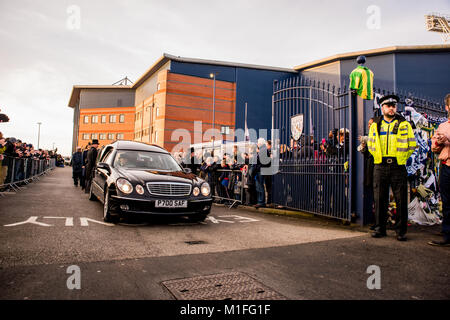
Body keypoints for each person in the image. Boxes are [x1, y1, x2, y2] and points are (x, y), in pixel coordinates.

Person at [367, 95, 417, 241]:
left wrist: (401, 158)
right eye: (388, 106)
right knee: (379, 199)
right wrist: (377, 156)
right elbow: (371, 143)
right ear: (382, 108)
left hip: (397, 165)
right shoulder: (376, 124)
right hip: (380, 165)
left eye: (393, 106)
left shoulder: (404, 124)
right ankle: (379, 229)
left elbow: (411, 144)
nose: (391, 108)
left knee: (401, 199)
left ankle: (400, 231)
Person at [429, 93, 450, 246]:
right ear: (447, 107)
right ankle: (447, 235)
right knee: (447, 202)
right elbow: (434, 149)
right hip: (446, 167)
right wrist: (437, 143)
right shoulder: (442, 126)